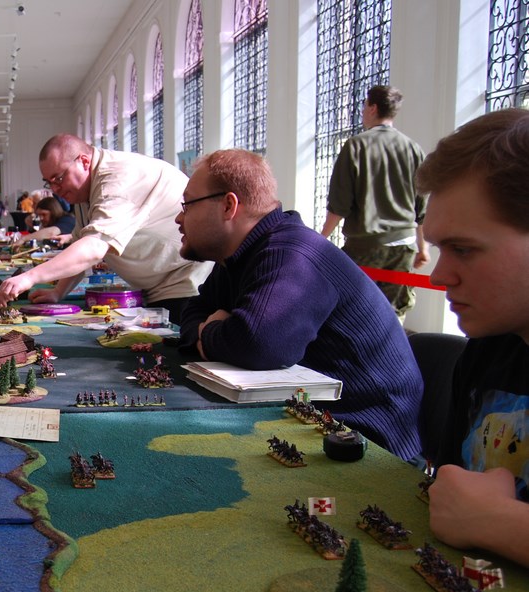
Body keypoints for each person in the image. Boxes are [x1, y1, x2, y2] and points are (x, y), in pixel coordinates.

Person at [177, 149, 422, 460]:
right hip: (304, 418)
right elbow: (192, 312)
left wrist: (208, 331)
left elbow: (257, 344)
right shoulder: (237, 257)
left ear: (228, 205)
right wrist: (214, 329)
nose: (179, 218)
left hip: (364, 439)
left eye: (187, 204)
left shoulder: (292, 253)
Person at [416, 108, 529, 566]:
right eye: (439, 248)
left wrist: (503, 524)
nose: (439, 276)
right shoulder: (488, 348)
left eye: (463, 249)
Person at [0, 134, 212, 318]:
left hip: (183, 283)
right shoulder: (84, 189)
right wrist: (58, 292)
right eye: (48, 182)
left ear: (84, 162)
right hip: (156, 285)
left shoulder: (118, 180)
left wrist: (29, 277)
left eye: (58, 178)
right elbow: (81, 246)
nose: (55, 189)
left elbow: (94, 248)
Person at [321, 85, 428, 318]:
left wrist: (320, 240)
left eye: (364, 106)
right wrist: (423, 248)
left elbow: (340, 204)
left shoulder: (356, 145)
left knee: (356, 310)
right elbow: (421, 204)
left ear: (373, 108)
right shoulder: (412, 148)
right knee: (394, 314)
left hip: (366, 246)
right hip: (404, 246)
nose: (362, 112)